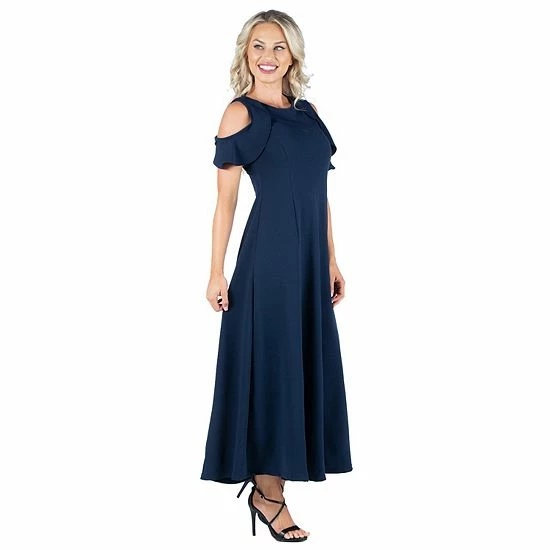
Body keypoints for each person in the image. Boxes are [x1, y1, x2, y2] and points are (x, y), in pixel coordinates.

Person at [200, 9, 352, 542]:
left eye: (279, 47)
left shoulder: (309, 114)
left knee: (299, 365)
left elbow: (319, 194)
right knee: (273, 368)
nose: (268, 57)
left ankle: (274, 487)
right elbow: (225, 203)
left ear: (293, 56)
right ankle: (269, 494)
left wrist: (331, 259)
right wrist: (215, 272)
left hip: (309, 264)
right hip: (268, 263)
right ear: (246, 53)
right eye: (258, 46)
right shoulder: (239, 113)